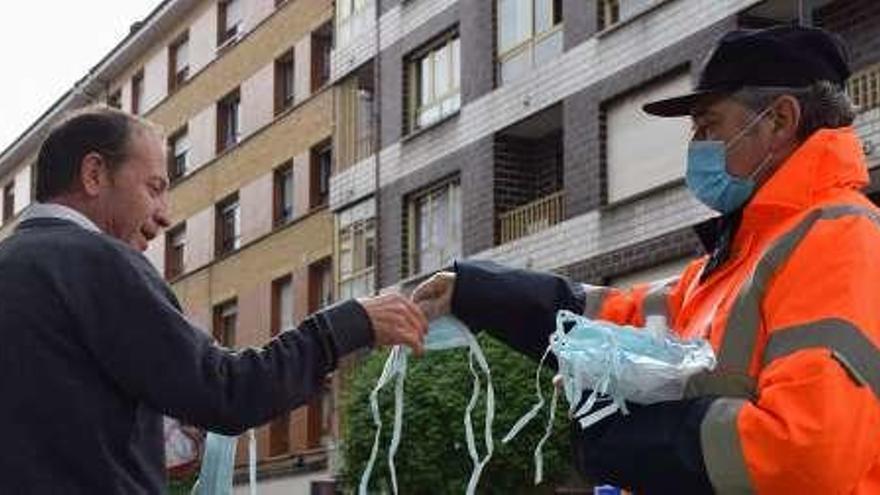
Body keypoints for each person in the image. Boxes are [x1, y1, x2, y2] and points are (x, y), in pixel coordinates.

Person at [414, 25, 880, 493]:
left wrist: (635, 437)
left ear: (780, 120)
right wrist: (480, 292)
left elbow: (806, 453)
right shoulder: (741, 258)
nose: (696, 146)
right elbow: (624, 319)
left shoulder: (839, 240)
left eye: (709, 125)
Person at [0, 106, 427, 493]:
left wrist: (153, 443)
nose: (165, 215)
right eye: (154, 188)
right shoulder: (97, 261)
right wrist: (347, 326)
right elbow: (227, 390)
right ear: (94, 174)